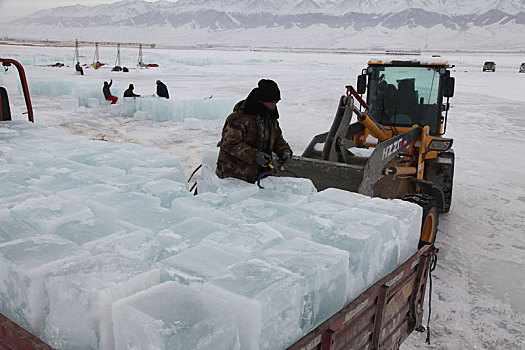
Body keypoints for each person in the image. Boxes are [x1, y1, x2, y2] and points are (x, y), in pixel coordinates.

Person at [216, 79, 292, 183]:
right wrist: (254, 155)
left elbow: (277, 138)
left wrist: (284, 150)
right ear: (262, 101)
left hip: (259, 175)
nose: (275, 106)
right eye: (272, 102)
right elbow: (230, 143)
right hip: (234, 176)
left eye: (277, 103)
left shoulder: (270, 119)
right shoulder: (238, 119)